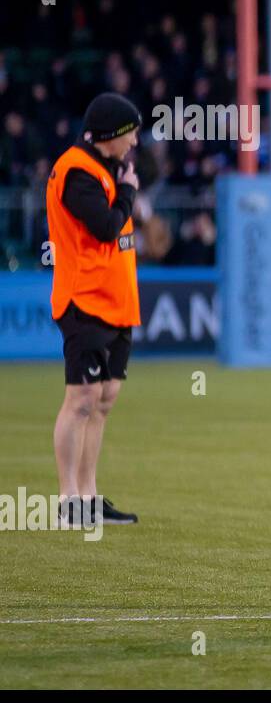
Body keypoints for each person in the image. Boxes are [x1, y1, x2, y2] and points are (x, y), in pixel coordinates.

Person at [44, 92, 144, 527]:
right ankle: (70, 500)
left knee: (103, 397)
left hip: (116, 300)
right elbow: (104, 228)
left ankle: (89, 494)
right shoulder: (75, 170)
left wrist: (122, 185)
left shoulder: (103, 168)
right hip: (84, 299)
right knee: (81, 397)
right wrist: (127, 193)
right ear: (113, 134)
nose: (135, 143)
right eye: (132, 133)